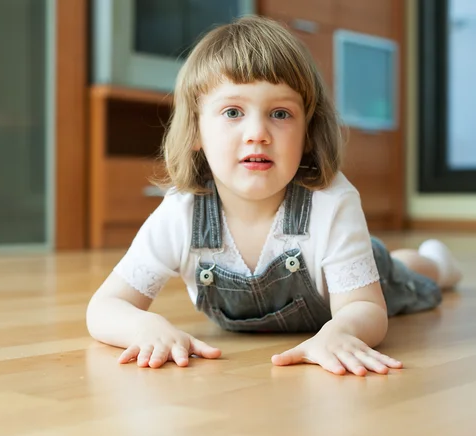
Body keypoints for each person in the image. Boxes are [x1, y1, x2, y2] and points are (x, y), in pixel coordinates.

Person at [86, 15, 462, 376]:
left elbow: (365, 305)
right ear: (196, 130)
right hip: (330, 265)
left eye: (280, 114)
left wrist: (340, 332)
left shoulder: (332, 203)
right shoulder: (181, 213)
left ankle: (435, 262)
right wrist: (143, 326)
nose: (257, 133)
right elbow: (105, 306)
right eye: (233, 111)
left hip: (363, 279)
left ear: (308, 132)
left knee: (402, 273)